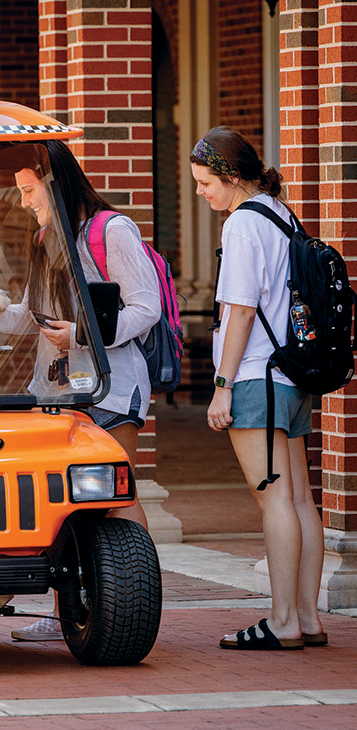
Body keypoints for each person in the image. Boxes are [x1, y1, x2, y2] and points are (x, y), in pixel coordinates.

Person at [0, 140, 160, 641]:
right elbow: (31, 313)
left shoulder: (112, 231)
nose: (23, 201)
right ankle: (71, 608)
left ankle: (135, 603)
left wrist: (83, 334)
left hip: (109, 392)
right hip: (59, 393)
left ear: (54, 182)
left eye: (29, 190)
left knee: (115, 496)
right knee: (64, 502)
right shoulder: (49, 238)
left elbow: (145, 307)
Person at [190, 126, 326, 650]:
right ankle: (309, 618)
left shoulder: (243, 225)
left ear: (229, 176)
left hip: (256, 378)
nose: (201, 193)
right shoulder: (281, 213)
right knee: (300, 501)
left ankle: (283, 621)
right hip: (292, 378)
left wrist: (221, 386)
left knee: (274, 502)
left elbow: (241, 310)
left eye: (205, 183)